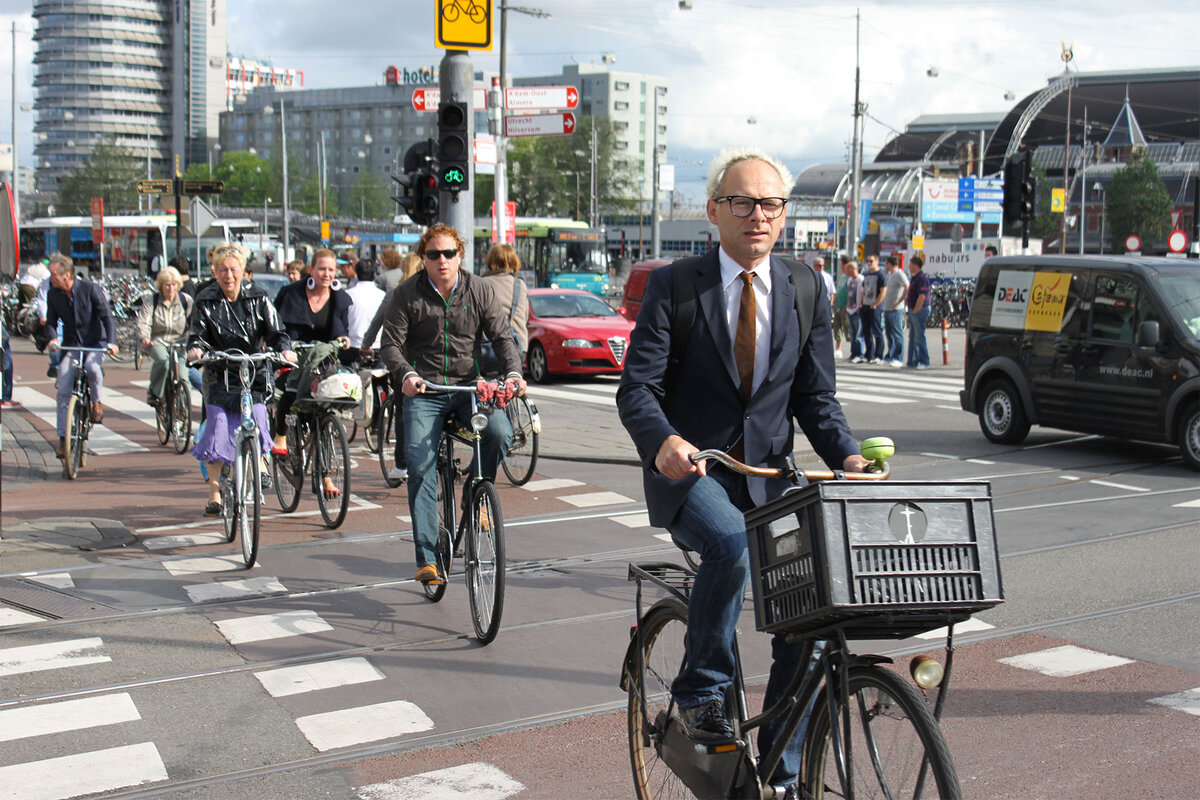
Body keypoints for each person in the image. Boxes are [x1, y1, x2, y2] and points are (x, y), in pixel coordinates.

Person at [616, 148, 869, 797]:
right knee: (729, 543)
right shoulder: (677, 284)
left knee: (813, 620)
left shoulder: (805, 286)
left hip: (770, 476)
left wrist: (846, 454)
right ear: (714, 211)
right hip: (692, 475)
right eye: (743, 202)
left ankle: (780, 772)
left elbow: (815, 397)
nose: (758, 214)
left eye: (770, 204)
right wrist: (664, 440)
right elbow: (636, 388)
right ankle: (702, 690)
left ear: (784, 215)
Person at [379, 224, 525, 584]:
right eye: (433, 254)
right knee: (420, 464)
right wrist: (406, 375)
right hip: (424, 390)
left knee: (499, 430)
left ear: (460, 255)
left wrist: (513, 374)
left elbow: (503, 338)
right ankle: (428, 558)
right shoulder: (406, 294)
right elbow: (390, 346)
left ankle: (476, 494)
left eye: (448, 254)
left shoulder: (480, 290)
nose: (441, 260)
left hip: (466, 388)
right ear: (423, 258)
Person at [188, 245, 294, 516]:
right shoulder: (205, 300)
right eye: (222, 269)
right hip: (219, 373)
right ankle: (214, 495)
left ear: (243, 271)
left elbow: (276, 331)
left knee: (259, 416)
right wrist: (197, 349)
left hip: (253, 371)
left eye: (233, 269)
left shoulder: (258, 297)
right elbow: (197, 334)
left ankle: (260, 468)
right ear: (215, 271)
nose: (228, 275)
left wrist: (284, 348)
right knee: (217, 429)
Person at [270, 248, 352, 455]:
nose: (327, 274)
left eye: (331, 270)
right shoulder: (291, 293)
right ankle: (280, 436)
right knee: (291, 386)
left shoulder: (339, 298)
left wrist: (344, 340)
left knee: (329, 401)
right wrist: (284, 348)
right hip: (293, 356)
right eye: (321, 269)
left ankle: (325, 472)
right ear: (310, 270)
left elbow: (343, 329)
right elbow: (275, 325)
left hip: (323, 359)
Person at [43, 254, 119, 459]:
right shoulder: (54, 294)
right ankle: (62, 439)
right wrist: (52, 339)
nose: (51, 278)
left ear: (66, 274)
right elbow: (50, 322)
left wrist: (112, 342)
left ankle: (96, 402)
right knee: (63, 386)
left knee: (93, 369)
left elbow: (107, 317)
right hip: (71, 345)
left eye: (53, 274)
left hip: (95, 343)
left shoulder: (90, 289)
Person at [364, 250, 426, 482]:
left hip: (403, 361)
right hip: (429, 361)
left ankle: (401, 464)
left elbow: (377, 321)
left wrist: (365, 345)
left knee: (402, 411)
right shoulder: (428, 293)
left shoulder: (395, 293)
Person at [137, 266, 194, 407]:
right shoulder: (152, 300)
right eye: (167, 285)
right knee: (163, 362)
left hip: (181, 342)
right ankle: (155, 393)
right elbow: (144, 322)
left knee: (182, 374)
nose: (170, 288)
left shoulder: (186, 301)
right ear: (161, 285)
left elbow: (194, 323)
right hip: (158, 341)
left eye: (174, 285)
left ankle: (184, 406)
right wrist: (145, 337)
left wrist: (194, 341)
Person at [479, 243, 530, 375]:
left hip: (487, 345)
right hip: (517, 345)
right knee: (511, 384)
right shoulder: (519, 284)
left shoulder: (481, 283)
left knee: (485, 388)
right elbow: (525, 316)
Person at [345, 259, 386, 356]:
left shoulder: (348, 294)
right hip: (377, 346)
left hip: (353, 346)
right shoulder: (383, 295)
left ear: (357, 273)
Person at [882, 254, 909, 367]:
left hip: (896, 309)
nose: (885, 266)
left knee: (897, 334)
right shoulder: (890, 275)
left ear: (889, 264)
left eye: (886, 263)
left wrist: (899, 301)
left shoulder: (899, 274)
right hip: (888, 308)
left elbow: (907, 286)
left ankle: (898, 357)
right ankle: (890, 356)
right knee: (889, 334)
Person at [906, 255, 932, 370]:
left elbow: (922, 296)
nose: (909, 267)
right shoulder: (914, 278)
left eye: (911, 264)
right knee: (913, 336)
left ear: (916, 265)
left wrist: (916, 309)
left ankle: (924, 361)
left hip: (920, 309)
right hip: (913, 309)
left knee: (919, 336)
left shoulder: (922, 278)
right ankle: (913, 361)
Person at [860, 254, 886, 364]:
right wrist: (860, 303)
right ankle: (869, 354)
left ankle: (879, 355)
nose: (869, 263)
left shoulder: (881, 274)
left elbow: (883, 290)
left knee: (877, 331)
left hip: (874, 306)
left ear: (876, 261)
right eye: (868, 261)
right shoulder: (865, 274)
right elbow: (863, 289)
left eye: (871, 261)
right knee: (866, 331)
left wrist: (876, 303)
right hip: (865, 304)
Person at [843, 259, 865, 363]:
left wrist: (859, 306)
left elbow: (862, 293)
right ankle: (853, 353)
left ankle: (860, 354)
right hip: (850, 308)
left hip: (857, 309)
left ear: (851, 269)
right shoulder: (850, 280)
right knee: (852, 333)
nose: (846, 271)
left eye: (847, 269)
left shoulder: (861, 279)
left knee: (858, 334)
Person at [831, 255, 850, 359]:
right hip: (838, 305)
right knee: (837, 328)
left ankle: (855, 351)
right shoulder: (842, 277)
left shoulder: (850, 278)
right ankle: (838, 349)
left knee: (848, 328)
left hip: (846, 307)